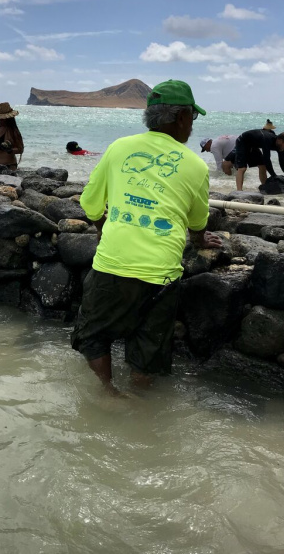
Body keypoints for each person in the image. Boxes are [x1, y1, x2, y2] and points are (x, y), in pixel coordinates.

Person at [73, 79, 221, 394]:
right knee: (148, 349)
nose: (191, 127)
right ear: (181, 118)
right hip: (162, 275)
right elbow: (197, 221)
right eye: (192, 119)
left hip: (112, 264)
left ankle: (108, 392)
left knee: (93, 334)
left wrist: (104, 230)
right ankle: (139, 407)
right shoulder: (196, 165)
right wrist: (200, 242)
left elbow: (90, 203)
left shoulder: (118, 148)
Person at [0, 102, 24, 170]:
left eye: (2, 119)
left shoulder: (13, 132)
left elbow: (20, 149)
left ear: (8, 119)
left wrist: (10, 150)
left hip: (7, 166)